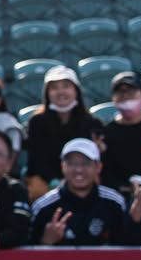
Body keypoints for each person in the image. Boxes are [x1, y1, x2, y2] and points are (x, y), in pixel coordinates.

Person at [23, 66, 104, 203]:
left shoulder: (91, 122)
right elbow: (37, 158)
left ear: (76, 91)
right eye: (54, 87)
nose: (60, 92)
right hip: (45, 179)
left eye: (66, 86)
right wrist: (54, 182)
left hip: (81, 174)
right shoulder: (36, 122)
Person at [30, 138, 125, 246]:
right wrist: (46, 241)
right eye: (71, 163)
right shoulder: (43, 206)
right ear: (62, 166)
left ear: (98, 167)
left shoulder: (114, 203)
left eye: (86, 163)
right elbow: (26, 255)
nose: (78, 170)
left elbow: (126, 248)